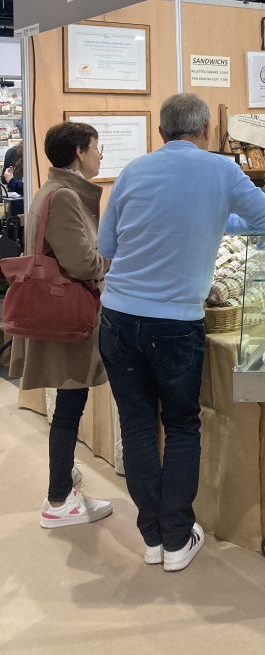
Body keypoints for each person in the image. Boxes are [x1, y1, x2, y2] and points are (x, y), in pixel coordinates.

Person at [97, 93, 265, 572]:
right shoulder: (221, 170)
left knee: (138, 425)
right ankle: (178, 538)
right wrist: (222, 218)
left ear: (161, 133)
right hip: (176, 322)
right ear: (204, 133)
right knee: (181, 424)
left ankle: (153, 538)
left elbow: (106, 245)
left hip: (117, 316)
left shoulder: (134, 171)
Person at [9, 122, 112, 528]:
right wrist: (112, 262)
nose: (100, 155)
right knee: (70, 407)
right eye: (96, 148)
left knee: (68, 407)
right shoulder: (66, 197)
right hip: (68, 319)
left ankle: (63, 485)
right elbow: (83, 263)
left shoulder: (51, 191)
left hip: (58, 317)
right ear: (78, 153)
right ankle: (58, 499)